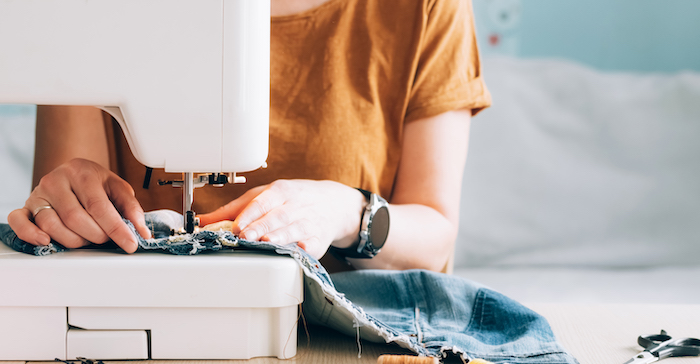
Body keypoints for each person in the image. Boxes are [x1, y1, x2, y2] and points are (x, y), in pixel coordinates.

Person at [8, 0, 490, 273]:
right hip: (150, 329)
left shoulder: (426, 8)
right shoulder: (89, 9)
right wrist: (69, 196)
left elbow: (435, 237)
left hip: (349, 341)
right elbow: (73, 240)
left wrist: (347, 211)